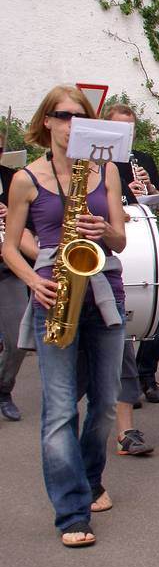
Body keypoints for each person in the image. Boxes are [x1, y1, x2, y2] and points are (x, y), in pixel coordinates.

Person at [3, 84, 128, 547]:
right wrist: (34, 281)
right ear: (47, 122)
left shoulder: (106, 172)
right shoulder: (26, 179)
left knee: (103, 405)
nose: (73, 122)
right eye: (64, 114)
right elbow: (10, 246)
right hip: (52, 291)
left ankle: (91, 480)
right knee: (59, 409)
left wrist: (105, 231)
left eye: (80, 114)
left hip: (104, 288)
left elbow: (119, 241)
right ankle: (72, 512)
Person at [105, 104, 159, 407]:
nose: (126, 135)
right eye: (120, 128)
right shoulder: (98, 163)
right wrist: (127, 194)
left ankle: (148, 376)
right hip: (117, 245)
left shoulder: (143, 159)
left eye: (130, 129)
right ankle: (125, 385)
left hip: (148, 249)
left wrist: (150, 188)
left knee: (158, 317)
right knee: (121, 321)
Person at [0, 162, 31, 423]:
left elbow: (29, 227)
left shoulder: (14, 179)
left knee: (17, 340)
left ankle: (3, 389)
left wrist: (11, 217)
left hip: (7, 271)